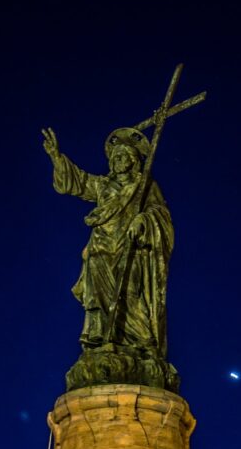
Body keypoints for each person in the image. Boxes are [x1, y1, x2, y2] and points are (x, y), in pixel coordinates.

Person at [42, 125, 173, 359]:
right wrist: (56, 157)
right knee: (99, 296)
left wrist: (143, 220)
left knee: (130, 292)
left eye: (125, 156)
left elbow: (160, 213)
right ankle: (102, 338)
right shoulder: (103, 185)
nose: (119, 159)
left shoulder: (144, 186)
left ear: (134, 160)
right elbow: (77, 182)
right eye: (116, 156)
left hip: (130, 247)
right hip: (101, 247)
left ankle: (142, 342)